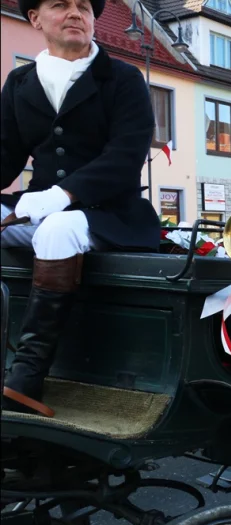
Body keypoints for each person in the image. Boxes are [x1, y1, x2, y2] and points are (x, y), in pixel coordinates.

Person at [1, 0, 158, 415]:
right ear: (35, 18)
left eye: (83, 6)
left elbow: (126, 155)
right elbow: (5, 156)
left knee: (58, 228)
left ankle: (27, 377)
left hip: (111, 215)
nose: (76, 13)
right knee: (44, 224)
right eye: (60, 4)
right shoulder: (20, 83)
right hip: (39, 207)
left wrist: (60, 196)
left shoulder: (123, 79)